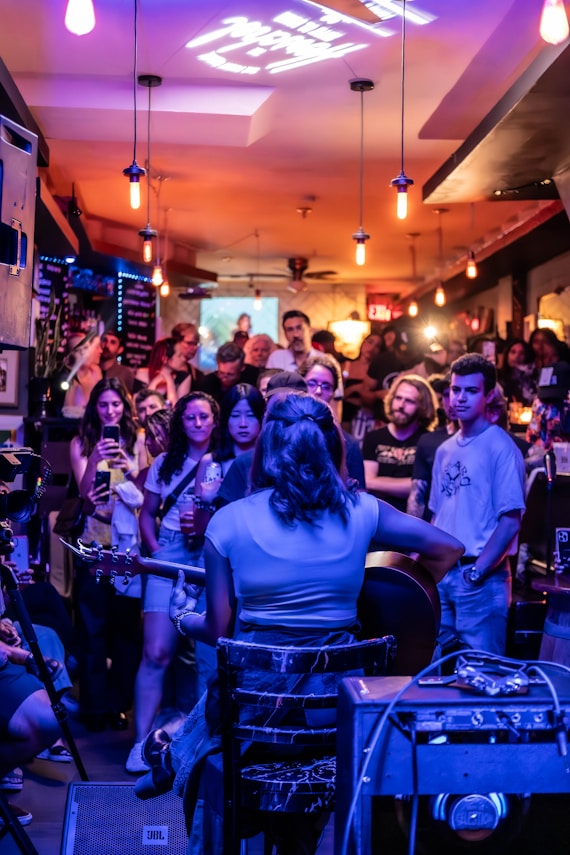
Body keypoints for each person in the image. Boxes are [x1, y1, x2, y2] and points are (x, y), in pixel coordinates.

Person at [160, 391, 463, 853]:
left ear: (265, 448)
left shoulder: (227, 523)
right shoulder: (362, 512)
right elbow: (448, 548)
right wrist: (399, 596)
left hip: (256, 710)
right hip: (333, 709)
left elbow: (218, 630)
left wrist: (181, 616)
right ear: (334, 447)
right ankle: (290, 836)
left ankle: (170, 760)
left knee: (214, 708)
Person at [127, 392, 220, 773]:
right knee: (156, 653)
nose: (198, 424)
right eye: (190, 418)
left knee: (208, 657)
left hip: (215, 555)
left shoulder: (229, 463)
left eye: (205, 417)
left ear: (216, 420)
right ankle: (139, 743)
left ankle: (201, 745)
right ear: (180, 422)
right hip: (172, 552)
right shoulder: (165, 462)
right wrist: (156, 552)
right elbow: (146, 514)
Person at [428, 353, 526, 655]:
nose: (460, 398)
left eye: (471, 391)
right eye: (456, 390)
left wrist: (477, 572)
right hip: (444, 574)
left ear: (487, 396)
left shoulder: (501, 447)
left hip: (481, 577)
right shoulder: (444, 450)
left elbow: (510, 520)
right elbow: (437, 516)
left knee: (482, 673)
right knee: (437, 672)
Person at [69, 378, 143, 731]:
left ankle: (118, 705)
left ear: (124, 407)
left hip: (128, 547)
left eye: (116, 405)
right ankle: (94, 708)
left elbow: (146, 493)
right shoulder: (81, 443)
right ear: (94, 408)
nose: (110, 411)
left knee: (127, 629)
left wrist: (129, 466)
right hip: (95, 545)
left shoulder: (138, 441)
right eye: (103, 405)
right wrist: (94, 459)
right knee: (92, 627)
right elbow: (84, 498)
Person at [362, 374, 438, 512]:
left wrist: (378, 483)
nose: (401, 405)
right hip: (378, 516)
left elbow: (424, 487)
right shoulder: (373, 438)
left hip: (413, 519)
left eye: (409, 401)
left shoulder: (428, 441)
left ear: (422, 406)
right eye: (398, 398)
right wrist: (407, 485)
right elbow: (367, 482)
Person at [298, 353, 365, 488]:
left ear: (333, 394)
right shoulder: (283, 433)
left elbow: (360, 496)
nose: (318, 391)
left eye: (326, 386)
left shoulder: (347, 444)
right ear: (300, 386)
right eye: (311, 383)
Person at [407, 374, 458, 520]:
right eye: (447, 395)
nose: (452, 401)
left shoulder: (488, 441)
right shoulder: (429, 441)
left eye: (456, 392)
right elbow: (416, 497)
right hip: (435, 526)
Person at [341, 333, 383, 444]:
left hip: (368, 420)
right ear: (363, 343)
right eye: (370, 342)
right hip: (345, 419)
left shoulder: (378, 371)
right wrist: (354, 389)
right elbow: (337, 395)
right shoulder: (347, 366)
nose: (372, 348)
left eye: (378, 346)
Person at [498, 338, 537, 405]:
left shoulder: (531, 378)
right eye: (513, 352)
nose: (517, 356)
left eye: (521, 353)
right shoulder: (499, 377)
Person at [99, 329, 135, 394]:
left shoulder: (125, 373)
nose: (107, 345)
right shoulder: (89, 369)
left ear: (120, 349)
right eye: (104, 340)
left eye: (112, 342)